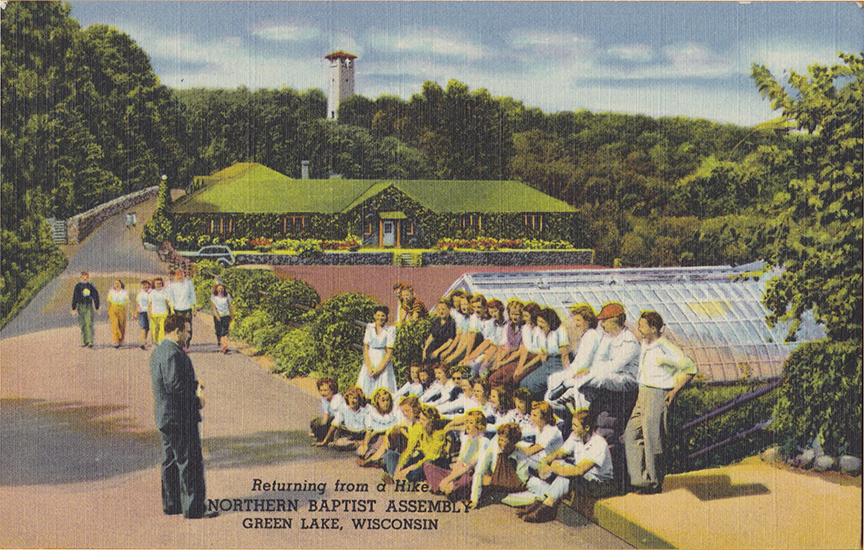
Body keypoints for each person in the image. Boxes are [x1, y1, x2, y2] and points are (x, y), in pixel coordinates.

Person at [624, 311, 696, 495]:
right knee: (631, 434)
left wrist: (674, 391)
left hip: (657, 393)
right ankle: (640, 480)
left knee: (653, 439)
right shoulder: (645, 345)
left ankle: (654, 483)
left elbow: (690, 369)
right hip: (643, 392)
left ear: (653, 328)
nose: (639, 328)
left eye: (642, 325)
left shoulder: (666, 347)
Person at [149, 314, 208, 518]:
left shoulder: (159, 351)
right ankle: (194, 509)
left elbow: (171, 382)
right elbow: (174, 386)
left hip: (166, 416)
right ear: (177, 331)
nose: (188, 336)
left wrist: (193, 384)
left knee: (170, 462)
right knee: (189, 461)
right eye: (187, 332)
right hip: (180, 417)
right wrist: (196, 400)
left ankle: (172, 504)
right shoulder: (173, 353)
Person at [520, 407, 614, 523]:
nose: (572, 428)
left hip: (598, 483)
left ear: (587, 428)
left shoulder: (598, 443)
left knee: (567, 474)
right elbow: (560, 453)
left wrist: (553, 469)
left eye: (575, 425)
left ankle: (548, 505)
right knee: (560, 465)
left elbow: (579, 471)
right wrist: (546, 461)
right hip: (584, 479)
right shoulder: (576, 436)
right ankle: (544, 502)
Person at [424, 409, 491, 500]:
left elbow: (468, 467)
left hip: (473, 473)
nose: (467, 425)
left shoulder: (484, 442)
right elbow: (460, 461)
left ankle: (445, 487)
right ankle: (448, 487)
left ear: (479, 425)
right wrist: (450, 478)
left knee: (467, 480)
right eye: (466, 422)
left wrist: (447, 479)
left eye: (471, 422)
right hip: (460, 472)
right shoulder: (466, 438)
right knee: (428, 466)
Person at [382, 404, 451, 483]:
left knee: (422, 468)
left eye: (424, 419)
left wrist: (408, 469)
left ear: (432, 422)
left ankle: (403, 478)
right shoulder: (419, 428)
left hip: (433, 461)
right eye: (420, 418)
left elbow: (430, 458)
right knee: (390, 455)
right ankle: (395, 476)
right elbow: (409, 451)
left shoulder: (439, 434)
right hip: (421, 457)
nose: (421, 421)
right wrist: (398, 470)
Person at [468, 423, 530, 509]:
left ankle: (496, 495)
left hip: (509, 488)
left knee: (528, 499)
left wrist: (500, 480)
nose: (503, 444)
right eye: (501, 440)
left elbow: (522, 480)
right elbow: (479, 472)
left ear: (514, 442)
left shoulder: (520, 455)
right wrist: (474, 499)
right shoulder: (492, 450)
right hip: (490, 481)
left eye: (506, 441)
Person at [517, 307, 570, 399]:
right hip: (547, 364)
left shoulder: (559, 331)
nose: (539, 324)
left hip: (558, 364)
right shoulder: (541, 333)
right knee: (524, 383)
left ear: (549, 322)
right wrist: (524, 368)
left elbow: (564, 355)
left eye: (542, 322)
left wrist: (567, 372)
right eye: (538, 321)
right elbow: (541, 355)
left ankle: (538, 404)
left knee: (534, 385)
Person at [358, 306, 397, 395]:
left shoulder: (390, 330)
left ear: (386, 317)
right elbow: (366, 347)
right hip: (370, 360)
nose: (380, 318)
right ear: (374, 316)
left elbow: (389, 353)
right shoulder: (369, 327)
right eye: (378, 315)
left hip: (382, 362)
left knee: (382, 388)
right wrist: (369, 367)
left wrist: (378, 370)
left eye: (383, 316)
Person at [357, 387, 402, 461]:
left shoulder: (394, 411)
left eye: (387, 400)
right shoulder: (373, 413)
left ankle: (377, 458)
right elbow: (369, 432)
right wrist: (365, 445)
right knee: (363, 451)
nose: (386, 403)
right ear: (377, 401)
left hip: (389, 438)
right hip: (376, 438)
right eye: (383, 400)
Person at [517, 401, 564, 472]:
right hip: (544, 460)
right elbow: (522, 433)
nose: (531, 418)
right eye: (531, 415)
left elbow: (529, 451)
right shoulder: (538, 427)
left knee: (521, 458)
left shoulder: (551, 430)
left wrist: (515, 446)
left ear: (544, 417)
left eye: (535, 416)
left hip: (554, 464)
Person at [168, 269, 196, 352]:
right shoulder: (172, 285)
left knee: (188, 327)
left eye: (182, 275)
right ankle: (180, 345)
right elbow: (170, 297)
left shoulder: (188, 283)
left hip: (187, 308)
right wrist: (172, 309)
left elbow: (193, 295)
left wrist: (194, 307)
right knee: (180, 328)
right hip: (177, 309)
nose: (180, 277)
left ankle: (186, 345)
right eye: (178, 275)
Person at [71, 272, 100, 348]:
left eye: (86, 277)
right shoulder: (78, 286)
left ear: (88, 278)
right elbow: (75, 297)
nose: (85, 279)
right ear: (81, 278)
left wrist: (97, 306)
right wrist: (74, 308)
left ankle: (90, 341)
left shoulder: (91, 286)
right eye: (83, 277)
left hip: (88, 306)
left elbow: (95, 296)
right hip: (80, 306)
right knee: (83, 324)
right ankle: (84, 341)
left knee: (89, 322)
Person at [310, 378, 343, 444]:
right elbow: (326, 415)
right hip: (334, 420)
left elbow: (336, 422)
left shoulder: (337, 400)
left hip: (341, 423)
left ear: (332, 390)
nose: (323, 393)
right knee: (316, 422)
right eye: (321, 390)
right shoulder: (325, 399)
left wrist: (324, 441)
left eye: (325, 390)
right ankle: (324, 436)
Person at [422, 299, 456, 364]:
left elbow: (449, 341)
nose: (441, 312)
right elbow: (432, 336)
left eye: (443, 309)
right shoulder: (437, 321)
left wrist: (437, 351)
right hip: (433, 348)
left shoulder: (451, 323)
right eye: (439, 310)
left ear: (449, 309)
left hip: (443, 349)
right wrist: (425, 349)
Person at [148, 277, 173, 344]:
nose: (158, 285)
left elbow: (168, 302)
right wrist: (149, 313)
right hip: (154, 313)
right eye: (157, 283)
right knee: (154, 329)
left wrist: (171, 311)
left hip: (163, 313)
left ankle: (161, 342)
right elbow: (150, 304)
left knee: (162, 329)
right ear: (154, 284)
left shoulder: (165, 292)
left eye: (160, 283)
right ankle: (155, 341)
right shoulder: (152, 293)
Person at [210, 283, 234, 353]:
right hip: (218, 316)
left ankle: (225, 347)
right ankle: (219, 343)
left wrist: (232, 316)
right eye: (219, 289)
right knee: (218, 331)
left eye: (222, 288)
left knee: (224, 332)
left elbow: (230, 306)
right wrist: (217, 316)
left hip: (226, 315)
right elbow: (213, 308)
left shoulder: (227, 296)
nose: (221, 290)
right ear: (216, 289)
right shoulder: (214, 297)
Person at [106, 279, 131, 348]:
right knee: (115, 324)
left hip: (122, 309)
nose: (117, 285)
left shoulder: (124, 292)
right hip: (113, 308)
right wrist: (108, 310)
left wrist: (131, 311)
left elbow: (128, 301)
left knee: (122, 325)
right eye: (115, 283)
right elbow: (108, 301)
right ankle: (116, 340)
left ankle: (121, 340)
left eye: (118, 283)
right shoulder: (111, 292)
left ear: (121, 284)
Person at [136, 279, 153, 350]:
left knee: (148, 327)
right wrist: (136, 311)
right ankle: (142, 341)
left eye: (146, 284)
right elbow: (137, 302)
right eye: (143, 284)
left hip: (150, 311)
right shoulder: (140, 293)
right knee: (143, 326)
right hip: (142, 311)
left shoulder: (152, 292)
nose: (145, 286)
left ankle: (148, 340)